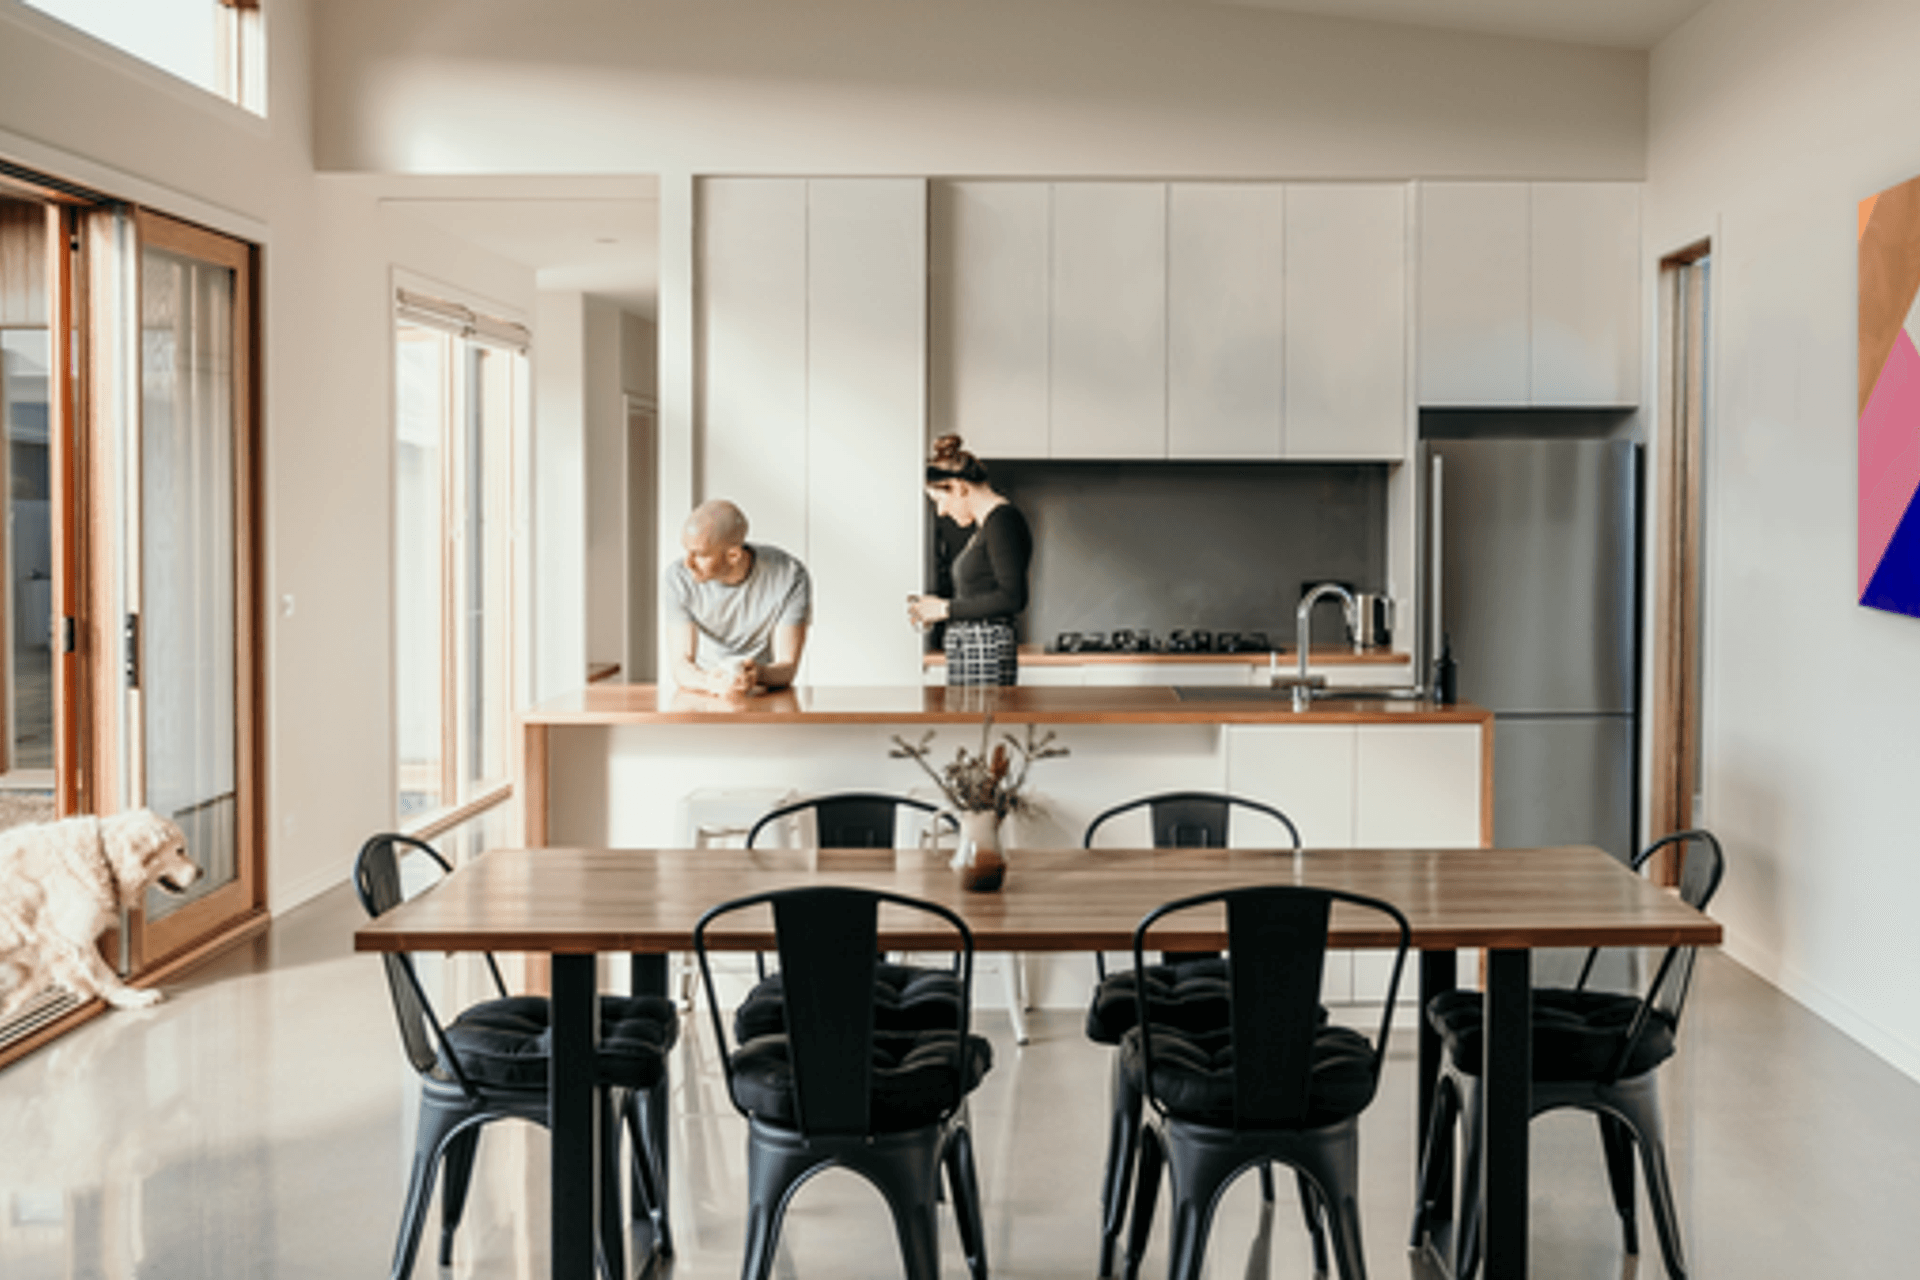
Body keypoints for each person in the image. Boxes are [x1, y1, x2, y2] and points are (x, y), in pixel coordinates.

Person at [907, 435, 1032, 686]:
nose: (941, 511)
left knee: (981, 724)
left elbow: (1012, 597)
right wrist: (938, 608)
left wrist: (945, 609)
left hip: (986, 650)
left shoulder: (1002, 520)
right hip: (975, 649)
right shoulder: (987, 525)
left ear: (959, 486)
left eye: (939, 500)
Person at [667, 499, 810, 695]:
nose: (687, 563)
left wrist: (757, 674)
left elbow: (787, 667)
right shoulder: (678, 578)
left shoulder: (789, 575)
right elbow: (680, 665)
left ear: (733, 555)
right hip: (702, 690)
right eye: (686, 550)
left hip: (764, 692)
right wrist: (709, 682)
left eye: (699, 554)